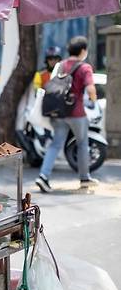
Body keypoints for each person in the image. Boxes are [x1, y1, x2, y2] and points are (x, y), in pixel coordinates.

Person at [35, 36, 99, 192]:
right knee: (82, 144)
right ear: (83, 51)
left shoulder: (60, 66)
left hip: (58, 112)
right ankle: (84, 178)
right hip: (77, 113)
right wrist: (93, 100)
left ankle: (43, 176)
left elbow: (51, 85)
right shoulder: (85, 68)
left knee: (56, 144)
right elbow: (90, 89)